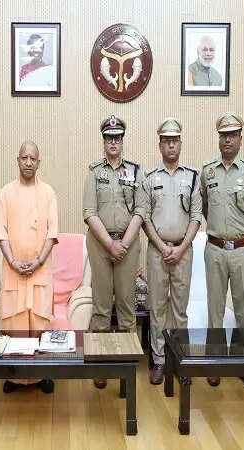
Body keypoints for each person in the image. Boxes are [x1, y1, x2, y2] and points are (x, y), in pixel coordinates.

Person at [200, 112, 244, 390]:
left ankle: (243, 364)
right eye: (223, 135)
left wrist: (242, 232)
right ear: (219, 138)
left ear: (240, 138)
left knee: (243, 311)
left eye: (233, 135)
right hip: (214, 248)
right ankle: (214, 363)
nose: (228, 140)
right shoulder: (207, 171)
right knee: (214, 309)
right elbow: (205, 208)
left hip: (242, 249)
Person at [82, 115, 146, 389]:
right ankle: (100, 365)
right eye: (109, 137)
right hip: (100, 244)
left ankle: (125, 368)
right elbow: (89, 212)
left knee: (127, 308)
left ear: (122, 140)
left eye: (117, 137)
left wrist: (124, 244)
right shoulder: (94, 172)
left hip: (127, 245)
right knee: (101, 308)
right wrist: (110, 244)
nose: (113, 142)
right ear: (104, 140)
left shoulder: (135, 171)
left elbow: (141, 210)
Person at [0, 140, 58, 394]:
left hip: (39, 272)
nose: (29, 162)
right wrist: (13, 262)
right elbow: (1, 234)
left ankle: (41, 375)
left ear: (38, 162)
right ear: (18, 160)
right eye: (25, 158)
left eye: (33, 158)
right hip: (13, 273)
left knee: (39, 327)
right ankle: (15, 377)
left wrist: (38, 261)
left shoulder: (48, 193)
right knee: (15, 327)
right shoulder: (5, 193)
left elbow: (52, 234)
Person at [142, 117, 201, 385]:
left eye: (175, 141)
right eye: (166, 141)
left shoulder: (193, 177)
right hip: (157, 251)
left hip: (183, 251)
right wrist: (163, 246)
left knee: (179, 310)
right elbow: (144, 217)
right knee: (157, 308)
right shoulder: (149, 178)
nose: (171, 146)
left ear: (180, 143)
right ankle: (159, 360)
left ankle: (178, 359)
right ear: (160, 145)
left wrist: (180, 248)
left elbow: (196, 217)